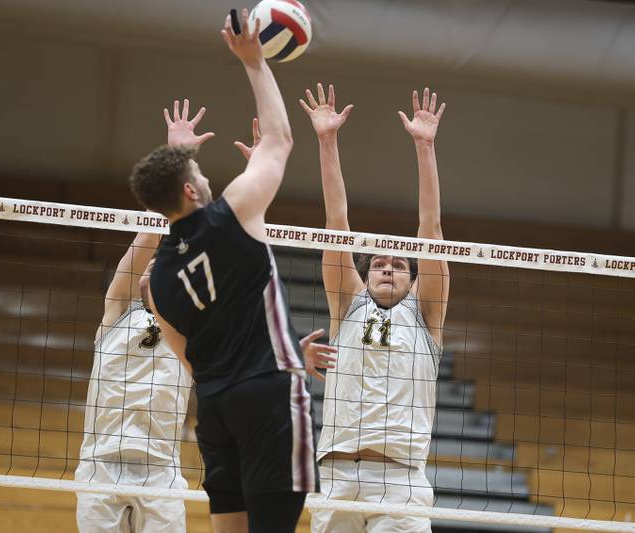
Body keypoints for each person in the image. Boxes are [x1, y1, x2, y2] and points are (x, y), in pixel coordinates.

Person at [128, 10, 329, 533]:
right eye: (197, 170)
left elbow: (189, 360)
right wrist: (254, 61)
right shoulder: (232, 212)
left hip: (215, 407)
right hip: (269, 396)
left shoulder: (157, 280)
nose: (205, 175)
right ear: (190, 190)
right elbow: (280, 140)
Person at [299, 84, 450, 532]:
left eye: (399, 265)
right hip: (338, 477)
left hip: (401, 483)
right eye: (379, 263)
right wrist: (327, 140)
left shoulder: (426, 314)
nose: (387, 267)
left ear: (413, 279)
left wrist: (425, 147)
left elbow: (431, 229)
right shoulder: (348, 303)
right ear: (364, 276)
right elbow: (336, 223)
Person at [74, 227, 192, 533]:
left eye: (163, 271)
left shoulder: (189, 330)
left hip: (161, 470)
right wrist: (169, 212)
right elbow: (146, 239)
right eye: (150, 267)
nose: (154, 272)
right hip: (101, 464)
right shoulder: (118, 310)